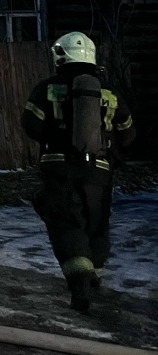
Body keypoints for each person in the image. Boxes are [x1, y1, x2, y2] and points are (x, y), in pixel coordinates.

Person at [22, 31, 135, 313]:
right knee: (96, 223)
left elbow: (31, 126)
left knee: (66, 224)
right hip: (99, 171)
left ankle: (80, 284)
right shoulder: (109, 94)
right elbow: (129, 133)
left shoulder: (46, 89)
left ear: (60, 57)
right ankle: (95, 275)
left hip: (59, 167)